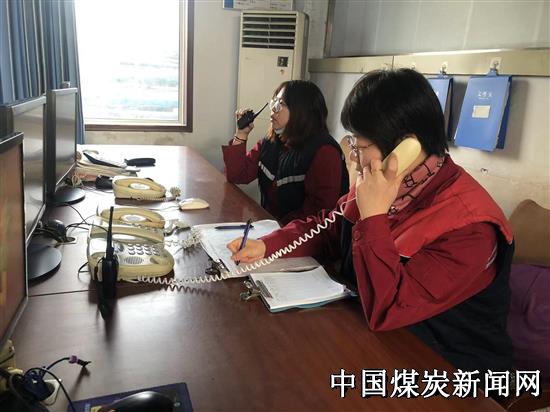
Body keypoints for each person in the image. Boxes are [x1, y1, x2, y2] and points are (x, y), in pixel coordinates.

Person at [228, 69, 515, 374]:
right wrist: (268, 246)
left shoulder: (470, 228)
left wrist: (375, 217)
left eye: (359, 146)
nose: (354, 157)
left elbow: (390, 309)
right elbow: (329, 228)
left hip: (447, 370)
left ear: (406, 148)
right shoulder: (385, 182)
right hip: (368, 338)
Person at [222, 80, 349, 225]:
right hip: (272, 227)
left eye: (280, 104)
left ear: (301, 111)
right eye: (274, 102)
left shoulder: (324, 152)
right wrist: (241, 134)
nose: (273, 109)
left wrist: (275, 232)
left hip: (299, 234)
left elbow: (318, 216)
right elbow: (237, 175)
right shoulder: (271, 142)